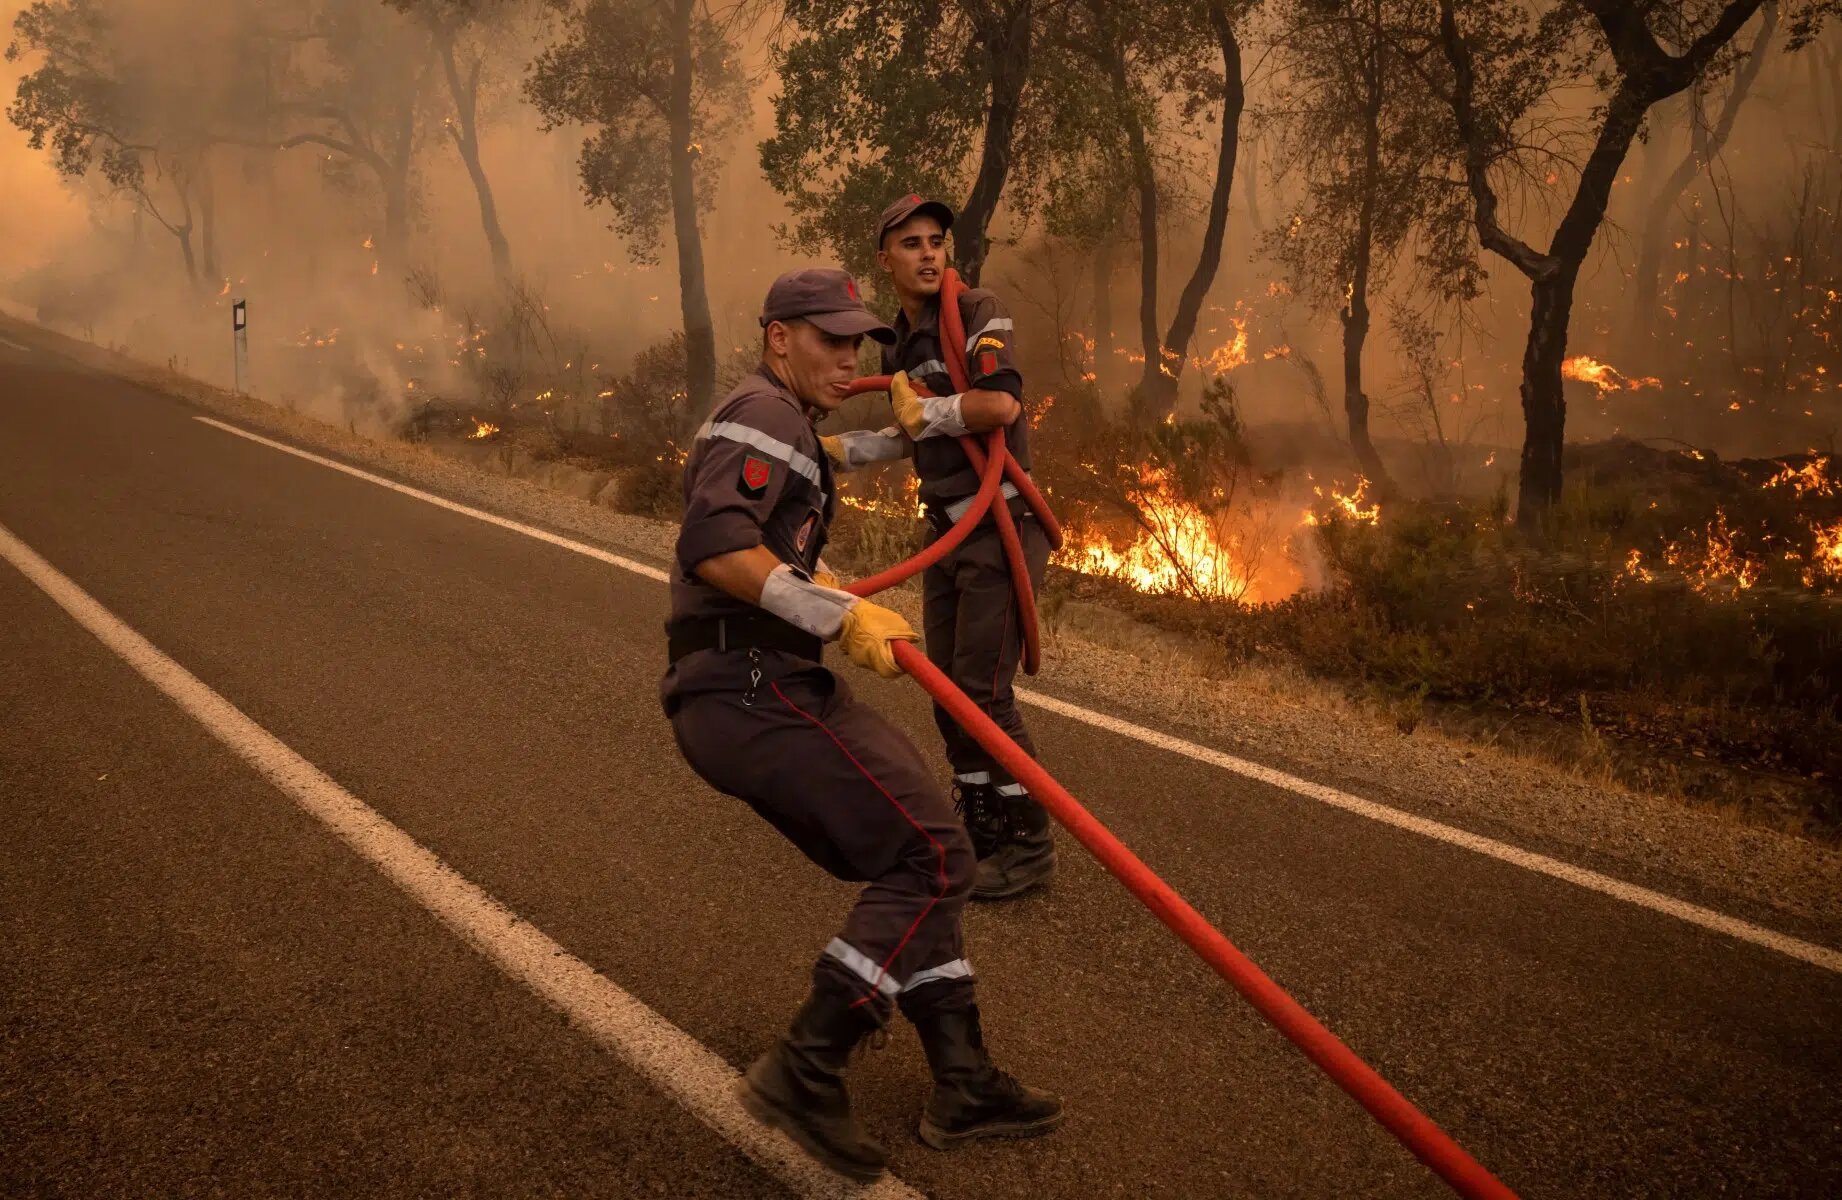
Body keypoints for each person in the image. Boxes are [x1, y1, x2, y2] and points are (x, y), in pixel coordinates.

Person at [662, 267, 1063, 1182]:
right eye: (829, 340)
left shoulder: (792, 423)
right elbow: (715, 544)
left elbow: (770, 543)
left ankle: (962, 1079)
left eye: (858, 344)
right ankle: (809, 1062)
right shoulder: (764, 414)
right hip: (749, 687)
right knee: (934, 855)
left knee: (924, 843)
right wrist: (834, 616)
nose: (848, 357)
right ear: (779, 340)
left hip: (769, 679)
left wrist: (822, 590)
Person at [823, 195, 1056, 901]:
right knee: (947, 693)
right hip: (949, 528)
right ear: (885, 259)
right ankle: (983, 827)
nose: (928, 253)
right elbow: (912, 431)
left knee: (983, 696)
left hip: (1001, 528)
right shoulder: (899, 340)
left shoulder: (979, 310)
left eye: (937, 241)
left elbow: (998, 405)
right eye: (912, 243)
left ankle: (1029, 843)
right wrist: (841, 450)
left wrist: (928, 411)